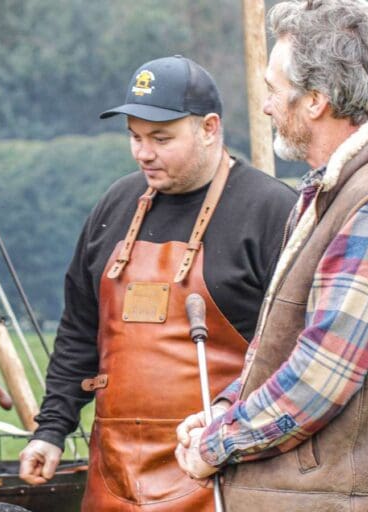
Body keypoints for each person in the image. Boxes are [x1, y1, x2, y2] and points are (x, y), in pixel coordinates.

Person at [174, 1, 368, 510]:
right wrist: (225, 409)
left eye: (273, 90)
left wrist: (218, 444)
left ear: (316, 101)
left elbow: (319, 378)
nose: (265, 106)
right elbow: (285, 349)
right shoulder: (340, 189)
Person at [17, 55, 297, 511]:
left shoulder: (269, 211)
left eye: (161, 138)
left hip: (224, 475)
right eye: (134, 136)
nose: (143, 153)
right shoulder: (116, 203)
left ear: (209, 128)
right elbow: (78, 331)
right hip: (113, 479)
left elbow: (294, 357)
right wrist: (52, 429)